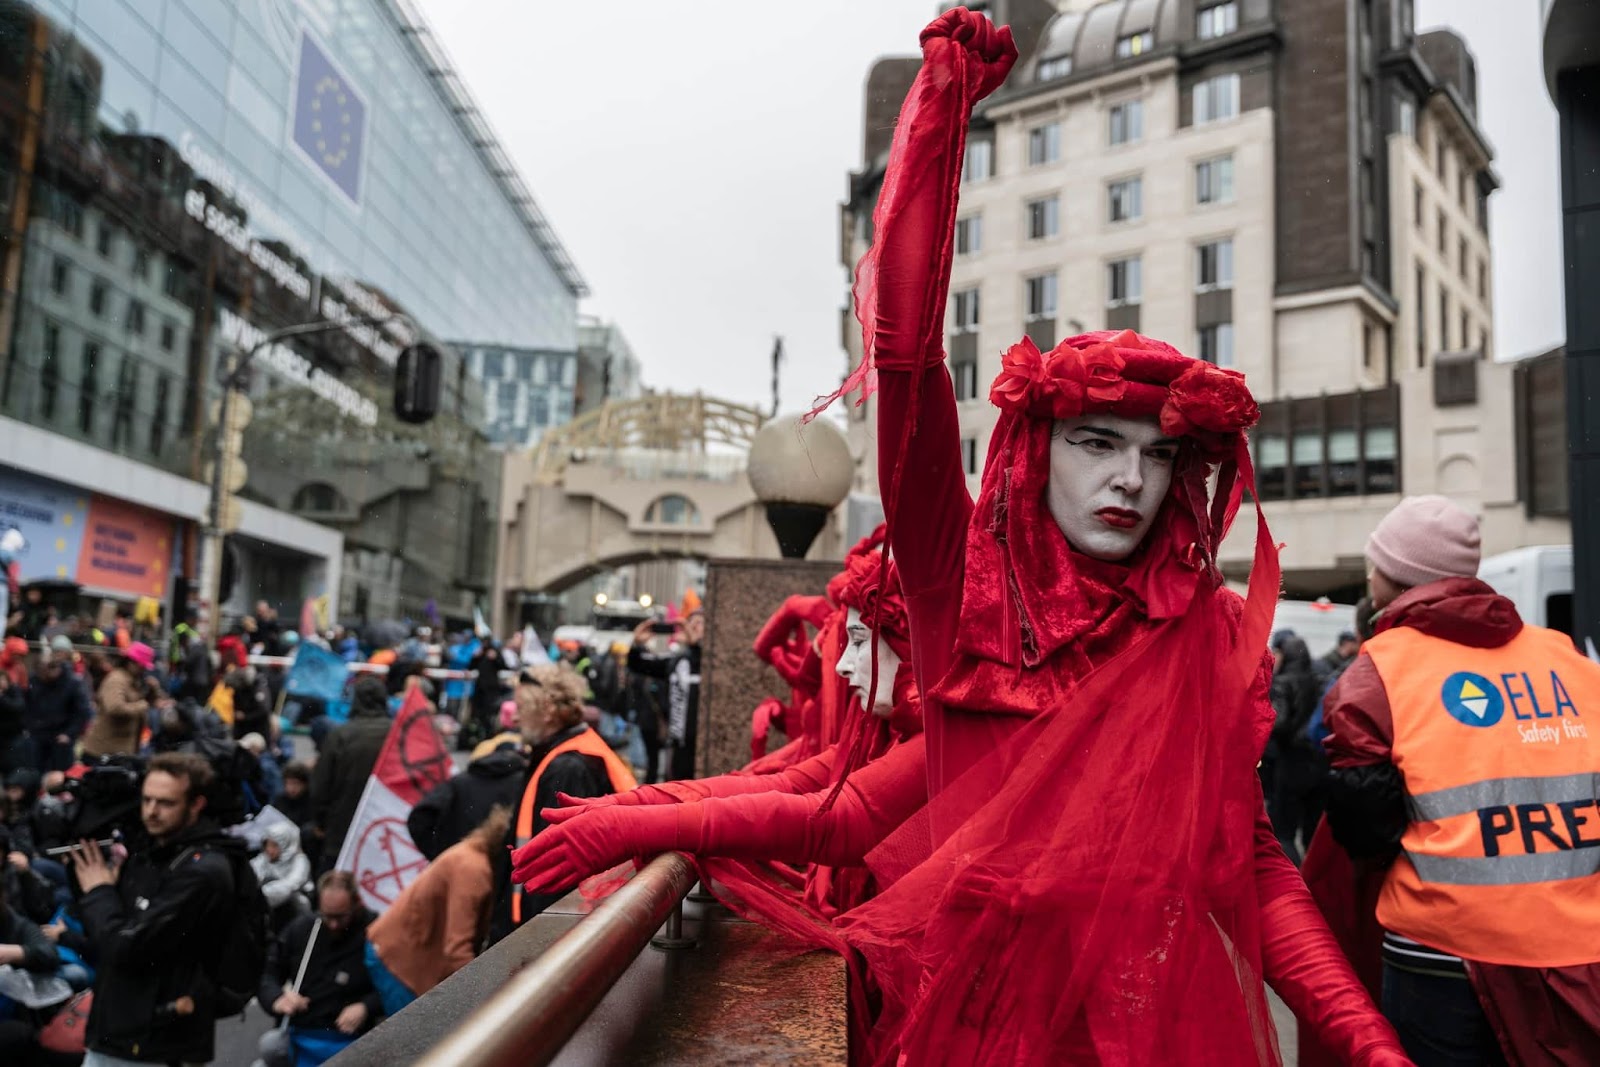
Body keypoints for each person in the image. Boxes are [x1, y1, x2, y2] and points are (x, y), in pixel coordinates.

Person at [514, 11, 1406, 1065]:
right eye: (1095, 441)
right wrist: (939, 114)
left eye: (1159, 455)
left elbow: (1247, 860)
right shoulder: (969, 596)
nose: (1129, 477)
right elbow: (903, 360)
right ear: (1036, 449)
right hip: (983, 1033)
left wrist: (1363, 1037)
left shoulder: (1201, 628)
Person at [1313, 495, 1600, 1065]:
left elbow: (1364, 826)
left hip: (1440, 951)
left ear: (1391, 578)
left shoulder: (1379, 668)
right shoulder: (1564, 657)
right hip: (1579, 942)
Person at [70, 751, 253, 1066]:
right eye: (147, 800)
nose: (152, 812)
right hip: (121, 1029)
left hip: (152, 1039)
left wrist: (100, 892)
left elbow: (126, 947)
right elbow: (103, 933)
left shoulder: (202, 871)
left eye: (166, 803)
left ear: (196, 805)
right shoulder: (154, 850)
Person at [492, 665, 636, 940]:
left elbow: (558, 864)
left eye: (522, 706)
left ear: (547, 711)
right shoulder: (571, 754)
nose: (515, 717)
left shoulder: (567, 767)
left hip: (547, 931)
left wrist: (538, 935)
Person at [365, 806, 511, 1015]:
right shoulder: (472, 870)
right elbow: (457, 948)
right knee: (414, 1036)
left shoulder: (473, 854)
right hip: (398, 958)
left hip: (401, 950)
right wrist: (488, 999)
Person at [259, 870, 381, 1066]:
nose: (333, 925)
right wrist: (277, 999)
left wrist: (366, 1006)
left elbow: (396, 984)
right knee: (269, 1046)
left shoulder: (375, 932)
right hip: (301, 1032)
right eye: (327, 916)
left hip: (350, 1038)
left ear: (356, 903)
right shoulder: (302, 929)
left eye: (340, 917)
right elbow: (269, 974)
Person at [308, 676, 391, 872]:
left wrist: (320, 821)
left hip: (342, 828)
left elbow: (321, 785)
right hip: (385, 829)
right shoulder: (397, 733)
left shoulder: (340, 735)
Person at [408, 736, 526, 862]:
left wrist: (440, 853)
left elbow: (419, 818)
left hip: (460, 863)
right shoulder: (526, 784)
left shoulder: (460, 781)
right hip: (508, 869)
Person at [626, 612, 703, 780]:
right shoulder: (678, 660)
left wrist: (696, 645)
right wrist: (637, 643)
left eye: (698, 623)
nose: (690, 628)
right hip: (677, 744)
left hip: (699, 745)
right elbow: (638, 665)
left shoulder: (706, 661)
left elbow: (702, 658)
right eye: (689, 623)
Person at [1269, 633, 1324, 863]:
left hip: (1290, 761)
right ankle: (1314, 884)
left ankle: (1294, 885)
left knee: (1284, 832)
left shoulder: (1282, 683)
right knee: (1312, 833)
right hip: (1319, 762)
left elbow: (1278, 722)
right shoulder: (1318, 679)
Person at [22, 637, 90, 773]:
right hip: (37, 734)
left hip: (60, 738)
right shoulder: (36, 679)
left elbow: (82, 712)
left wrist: (69, 734)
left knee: (58, 776)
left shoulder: (72, 682)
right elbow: (27, 704)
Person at [84, 643, 163, 759]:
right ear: (131, 663)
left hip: (121, 751)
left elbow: (142, 701)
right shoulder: (116, 680)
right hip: (102, 752)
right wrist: (145, 705)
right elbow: (115, 708)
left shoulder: (131, 680)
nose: (144, 670)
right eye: (142, 666)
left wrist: (154, 690)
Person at [253, 821, 312, 936]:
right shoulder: (263, 859)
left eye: (275, 845)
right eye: (267, 845)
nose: (269, 850)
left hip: (294, 910)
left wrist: (261, 895)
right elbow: (252, 874)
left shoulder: (300, 861)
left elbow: (292, 884)